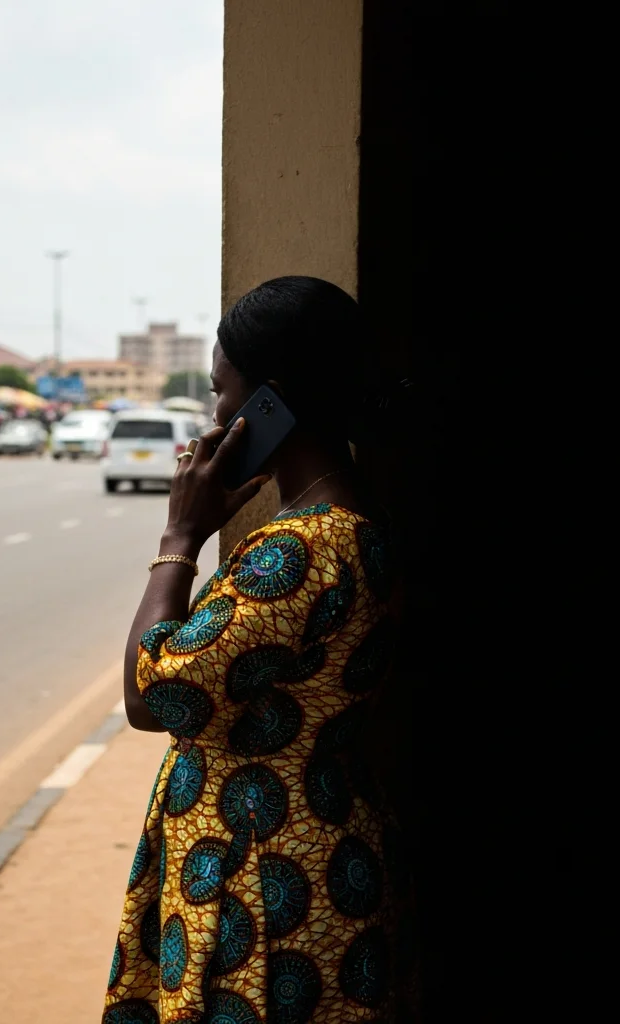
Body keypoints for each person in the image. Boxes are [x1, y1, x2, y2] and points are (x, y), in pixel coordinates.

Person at [103, 277, 417, 1023]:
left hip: (266, 878)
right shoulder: (342, 522)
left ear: (266, 404)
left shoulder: (304, 551)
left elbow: (152, 697)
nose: (213, 416)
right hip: (301, 851)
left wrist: (180, 539)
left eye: (221, 391)